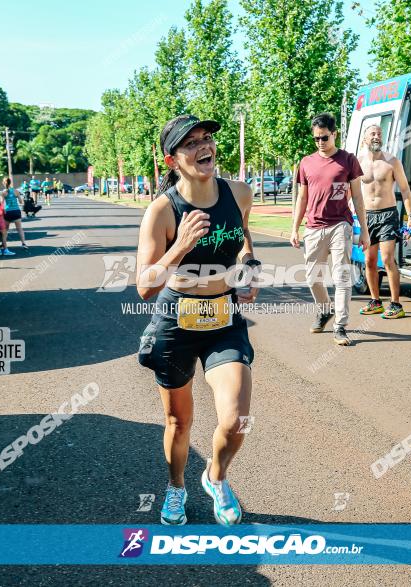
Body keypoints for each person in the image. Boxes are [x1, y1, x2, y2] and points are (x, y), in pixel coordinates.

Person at [136, 114, 257, 526]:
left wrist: (248, 270)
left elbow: (243, 242)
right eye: (190, 143)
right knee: (178, 420)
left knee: (236, 418)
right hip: (177, 321)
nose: (204, 146)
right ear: (172, 160)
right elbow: (145, 284)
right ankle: (175, 488)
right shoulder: (162, 211)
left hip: (223, 317)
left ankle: (216, 477)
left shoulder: (239, 193)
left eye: (206, 138)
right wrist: (181, 246)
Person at [290, 112, 369, 346]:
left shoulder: (348, 160)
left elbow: (358, 197)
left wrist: (363, 230)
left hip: (340, 225)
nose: (320, 143)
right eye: (316, 139)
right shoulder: (306, 162)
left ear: (334, 134)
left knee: (341, 276)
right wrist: (294, 228)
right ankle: (325, 310)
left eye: (324, 137)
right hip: (313, 227)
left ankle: (341, 326)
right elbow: (301, 198)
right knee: (313, 277)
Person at [358, 124, 411, 319]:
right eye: (372, 134)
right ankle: (375, 301)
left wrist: (410, 218)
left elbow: (406, 190)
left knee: (388, 258)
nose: (376, 136)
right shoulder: (358, 163)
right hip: (367, 217)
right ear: (365, 139)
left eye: (379, 134)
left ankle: (396, 304)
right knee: (369, 260)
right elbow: (351, 191)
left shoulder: (392, 162)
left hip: (388, 215)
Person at [1, 177, 29, 250]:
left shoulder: (3, 192)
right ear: (10, 183)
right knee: (19, 228)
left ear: (4, 183)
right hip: (16, 211)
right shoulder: (16, 191)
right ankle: (23, 243)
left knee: (6, 229)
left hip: (8, 212)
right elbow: (20, 202)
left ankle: (4, 244)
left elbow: (1, 203)